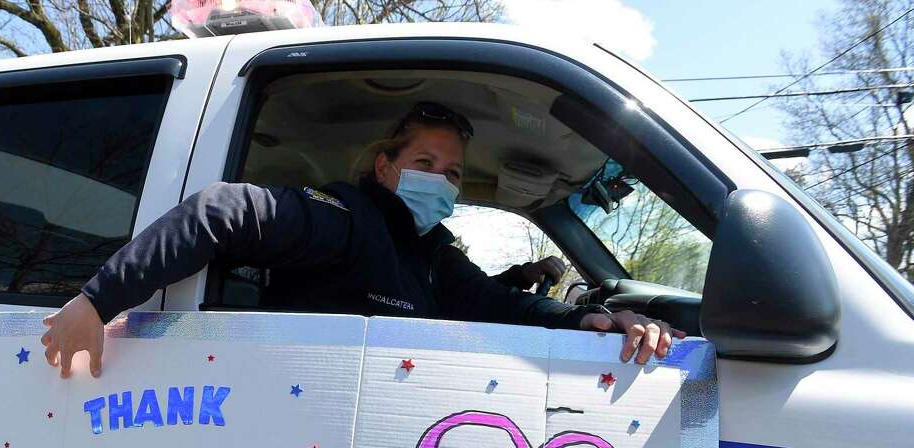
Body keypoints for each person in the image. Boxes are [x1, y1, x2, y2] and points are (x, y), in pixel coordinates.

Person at [42, 101, 682, 378]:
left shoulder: (430, 252)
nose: (442, 182)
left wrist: (591, 319)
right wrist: (96, 301)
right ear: (385, 167)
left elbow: (499, 304)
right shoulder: (346, 219)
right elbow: (219, 210)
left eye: (453, 173)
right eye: (426, 164)